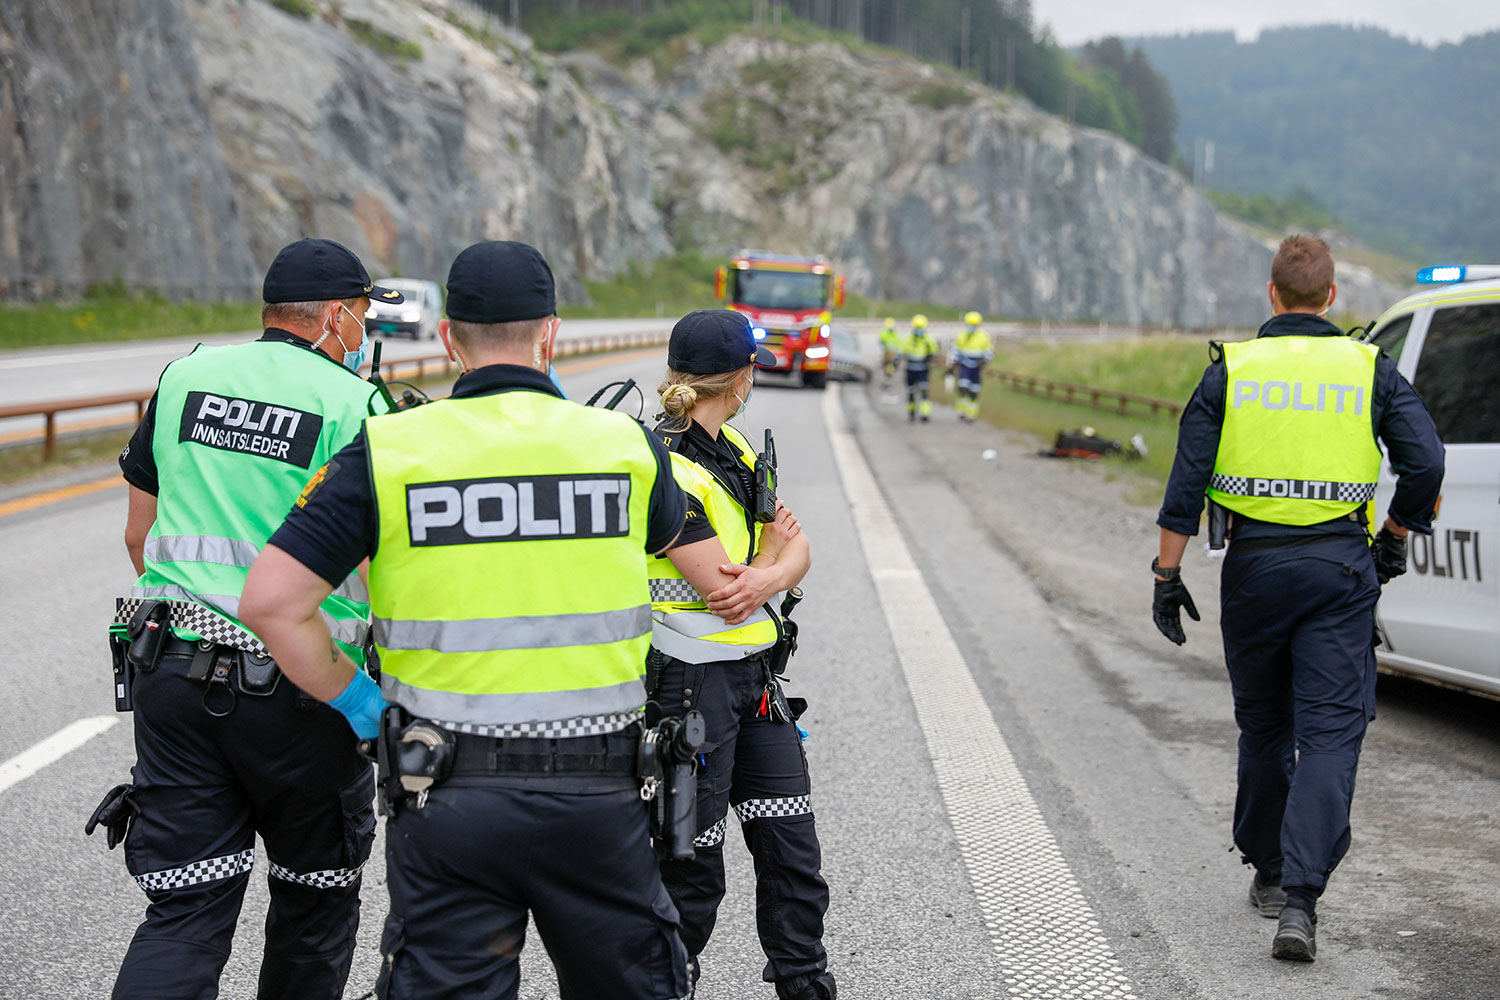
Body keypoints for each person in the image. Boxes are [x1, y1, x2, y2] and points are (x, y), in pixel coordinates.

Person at [239, 240, 694, 1000]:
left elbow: (269, 604)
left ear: (449, 337)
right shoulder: (624, 446)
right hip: (597, 797)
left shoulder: (388, 448)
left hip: (446, 795)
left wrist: (360, 705)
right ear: (551, 333)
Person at [102, 238, 396, 999]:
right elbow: (378, 570)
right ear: (335, 316)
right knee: (314, 899)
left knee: (185, 909)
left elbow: (140, 536)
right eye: (364, 316)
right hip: (304, 693)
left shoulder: (185, 376)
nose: (366, 334)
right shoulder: (354, 404)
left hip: (170, 675)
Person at [1151, 234, 1444, 963]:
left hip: (1253, 571)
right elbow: (1428, 458)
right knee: (1332, 734)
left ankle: (1271, 870)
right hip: (1341, 572)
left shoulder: (1234, 372)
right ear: (1332, 297)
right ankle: (1302, 904)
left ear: (1273, 296)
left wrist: (1166, 576)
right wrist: (1397, 533)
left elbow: (1185, 486)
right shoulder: (1367, 367)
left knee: (1264, 728)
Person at [645, 309, 835, 1000]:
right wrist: (769, 563)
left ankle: (804, 984)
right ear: (743, 376)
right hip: (686, 684)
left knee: (794, 855)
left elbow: (796, 550)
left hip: (753, 681)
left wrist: (769, 572)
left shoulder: (740, 451)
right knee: (691, 872)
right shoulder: (659, 461)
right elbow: (724, 585)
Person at [949, 311, 993, 423]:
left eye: (975, 325)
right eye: (970, 324)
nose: (972, 327)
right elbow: (955, 350)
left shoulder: (984, 337)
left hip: (977, 366)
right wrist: (954, 360)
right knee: (963, 389)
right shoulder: (962, 336)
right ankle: (962, 412)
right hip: (964, 365)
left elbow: (989, 351)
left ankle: (971, 415)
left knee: (974, 392)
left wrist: (985, 360)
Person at [899, 314, 941, 423]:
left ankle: (925, 414)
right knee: (911, 392)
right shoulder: (908, 339)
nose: (919, 330)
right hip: (911, 369)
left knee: (924, 391)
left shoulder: (928, 339)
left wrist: (931, 356)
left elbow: (935, 352)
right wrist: (896, 361)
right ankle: (911, 412)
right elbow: (901, 352)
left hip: (923, 369)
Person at [877, 316, 900, 392]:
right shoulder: (894, 331)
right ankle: (889, 377)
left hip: (888, 350)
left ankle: (888, 378)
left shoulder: (884, 331)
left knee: (887, 365)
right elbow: (898, 341)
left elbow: (881, 340)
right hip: (893, 351)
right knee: (890, 365)